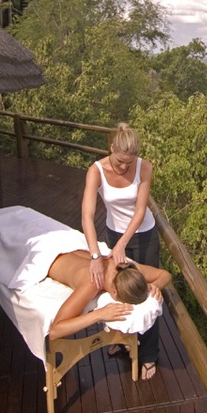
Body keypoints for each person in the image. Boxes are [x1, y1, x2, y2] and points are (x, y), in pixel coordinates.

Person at [81, 122, 161, 379]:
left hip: (143, 236)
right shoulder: (96, 171)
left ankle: (148, 353)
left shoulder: (144, 167)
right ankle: (123, 337)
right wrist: (95, 255)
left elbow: (140, 210)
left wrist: (123, 243)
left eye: (130, 162)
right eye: (119, 161)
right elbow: (87, 214)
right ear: (111, 147)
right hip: (114, 234)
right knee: (117, 291)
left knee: (146, 293)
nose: (124, 167)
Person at [46, 252, 171, 341]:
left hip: (70, 253)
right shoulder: (92, 283)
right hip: (50, 258)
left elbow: (165, 275)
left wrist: (154, 286)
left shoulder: (126, 269)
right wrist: (98, 314)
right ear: (115, 292)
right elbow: (55, 331)